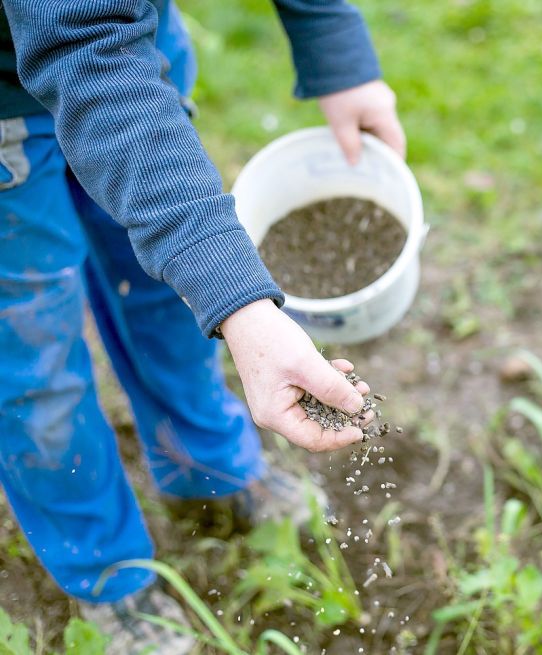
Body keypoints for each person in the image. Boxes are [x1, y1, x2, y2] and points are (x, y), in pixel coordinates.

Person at [0, 0, 405, 651]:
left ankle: (207, 468)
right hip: (15, 101)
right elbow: (87, 51)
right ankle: (106, 572)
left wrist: (332, 44)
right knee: (32, 354)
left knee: (167, 290)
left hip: (132, 39)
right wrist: (242, 304)